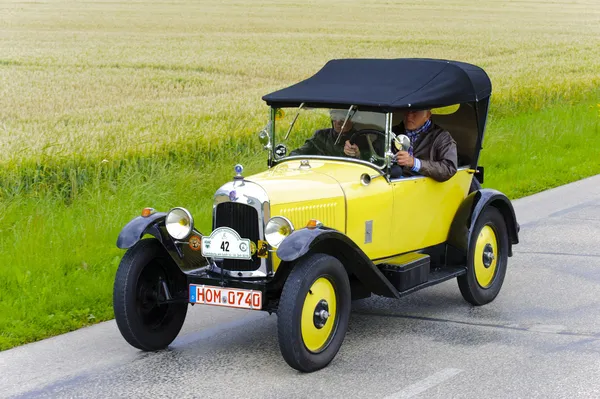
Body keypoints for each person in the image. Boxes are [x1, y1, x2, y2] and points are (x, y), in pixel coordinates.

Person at [391, 109, 457, 182]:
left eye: (415, 112)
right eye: (407, 111)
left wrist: (414, 162)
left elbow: (449, 169)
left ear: (427, 115)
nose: (409, 116)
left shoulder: (441, 137)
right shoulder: (392, 132)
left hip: (423, 188)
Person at [290, 109, 367, 159]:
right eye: (334, 117)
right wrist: (291, 158)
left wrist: (358, 154)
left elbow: (372, 160)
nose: (337, 122)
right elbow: (301, 152)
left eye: (343, 118)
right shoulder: (321, 135)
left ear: (352, 120)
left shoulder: (363, 139)